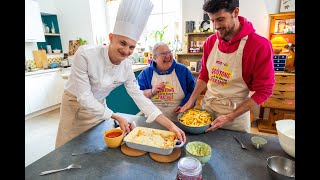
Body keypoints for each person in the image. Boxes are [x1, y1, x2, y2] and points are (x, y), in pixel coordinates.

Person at [55, 0, 186, 149]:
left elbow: (140, 98)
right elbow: (84, 97)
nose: (126, 51)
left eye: (131, 47)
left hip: (99, 106)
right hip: (74, 105)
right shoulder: (85, 54)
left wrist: (171, 126)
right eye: (122, 43)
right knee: (66, 148)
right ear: (111, 38)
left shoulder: (126, 66)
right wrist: (115, 116)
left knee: (94, 146)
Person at [179, 0, 275, 133]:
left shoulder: (260, 45)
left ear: (236, 12)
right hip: (207, 111)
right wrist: (191, 101)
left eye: (220, 19)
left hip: (235, 116)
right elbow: (205, 75)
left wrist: (230, 117)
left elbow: (264, 90)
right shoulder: (210, 42)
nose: (216, 26)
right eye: (212, 20)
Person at [137, 42, 196, 122]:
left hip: (180, 119)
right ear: (154, 58)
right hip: (154, 120)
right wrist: (151, 91)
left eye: (169, 52)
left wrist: (184, 105)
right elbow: (138, 95)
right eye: (163, 53)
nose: (168, 56)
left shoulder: (182, 70)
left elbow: (193, 91)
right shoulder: (146, 73)